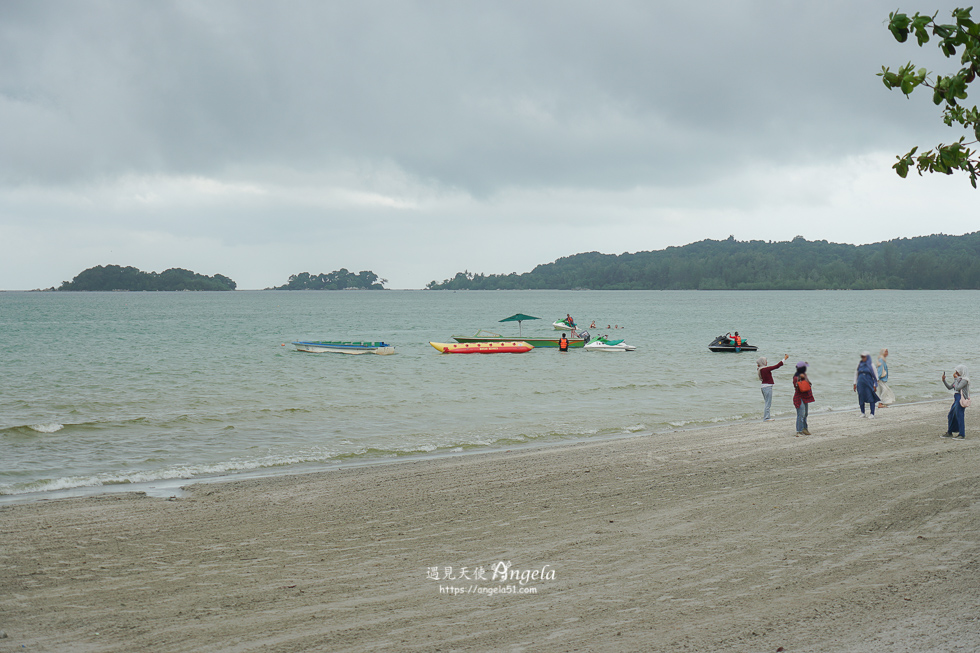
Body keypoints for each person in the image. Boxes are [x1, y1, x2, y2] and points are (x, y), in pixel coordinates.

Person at [758, 354, 790, 421]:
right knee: (768, 403)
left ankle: (766, 417)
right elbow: (777, 366)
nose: (766, 362)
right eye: (765, 361)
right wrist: (785, 358)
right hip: (767, 387)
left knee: (767, 402)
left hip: (764, 387)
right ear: (763, 362)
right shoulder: (765, 369)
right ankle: (766, 418)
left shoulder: (760, 369)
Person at [942, 365, 970, 439]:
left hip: (960, 399)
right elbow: (950, 387)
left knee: (959, 416)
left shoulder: (964, 380)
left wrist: (956, 378)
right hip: (956, 399)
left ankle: (962, 434)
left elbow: (957, 387)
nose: (956, 372)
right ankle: (950, 432)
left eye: (957, 371)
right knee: (951, 415)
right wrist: (944, 380)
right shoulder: (958, 379)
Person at [852, 351, 880, 418]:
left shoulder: (871, 365)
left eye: (864, 357)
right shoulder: (859, 364)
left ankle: (872, 413)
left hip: (868, 384)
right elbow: (856, 374)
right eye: (862, 357)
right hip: (860, 384)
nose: (863, 358)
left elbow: (875, 376)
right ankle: (863, 412)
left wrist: (875, 385)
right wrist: (854, 383)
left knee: (871, 398)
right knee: (861, 397)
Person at [793, 361, 814, 436]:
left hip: (805, 396)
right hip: (799, 397)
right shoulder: (796, 377)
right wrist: (801, 378)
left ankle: (805, 428)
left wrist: (804, 377)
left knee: (805, 414)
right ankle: (799, 430)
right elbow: (796, 385)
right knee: (801, 414)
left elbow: (809, 384)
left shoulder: (804, 375)